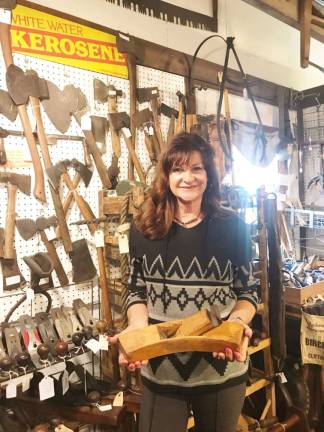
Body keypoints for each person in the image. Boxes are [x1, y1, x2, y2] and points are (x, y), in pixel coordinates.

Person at [111, 132, 259, 432]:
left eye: (197, 168)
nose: (187, 177)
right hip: (161, 370)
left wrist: (236, 324)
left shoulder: (233, 227)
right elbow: (136, 291)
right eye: (178, 169)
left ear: (209, 175)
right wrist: (137, 328)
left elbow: (248, 292)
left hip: (220, 369)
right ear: (166, 175)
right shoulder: (144, 228)